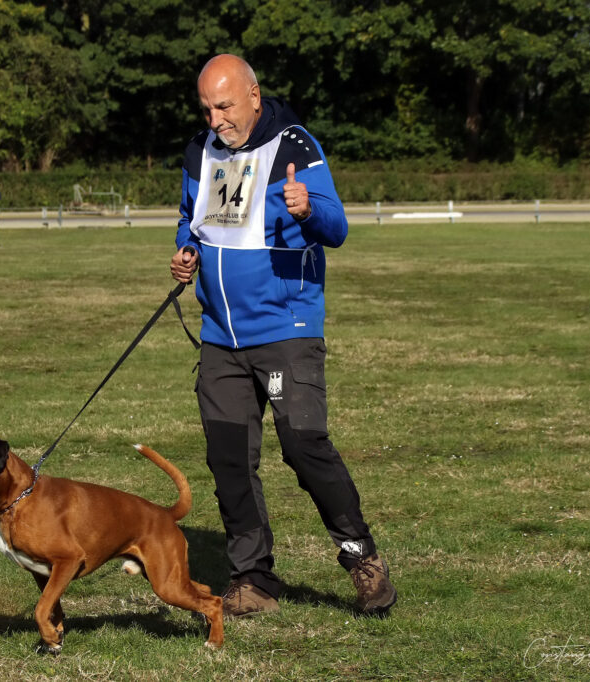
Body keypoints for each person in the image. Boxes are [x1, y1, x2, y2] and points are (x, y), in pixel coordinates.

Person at [170, 54, 397, 619]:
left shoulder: (294, 145)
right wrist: (186, 250)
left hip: (285, 329)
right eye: (206, 108)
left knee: (303, 447)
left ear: (253, 94)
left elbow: (336, 227)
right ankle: (253, 579)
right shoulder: (201, 151)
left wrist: (307, 209)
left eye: (224, 106)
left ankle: (361, 558)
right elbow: (189, 215)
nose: (215, 118)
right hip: (220, 336)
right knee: (228, 461)